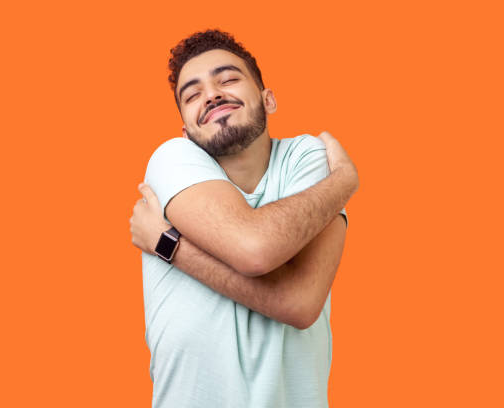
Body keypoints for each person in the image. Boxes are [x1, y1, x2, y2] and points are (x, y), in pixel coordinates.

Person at [129, 29, 359, 408]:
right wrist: (344, 182)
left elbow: (299, 303)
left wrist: (169, 245)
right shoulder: (172, 159)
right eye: (192, 94)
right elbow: (256, 252)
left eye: (229, 79)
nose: (212, 94)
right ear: (185, 130)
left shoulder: (306, 156)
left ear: (268, 99)